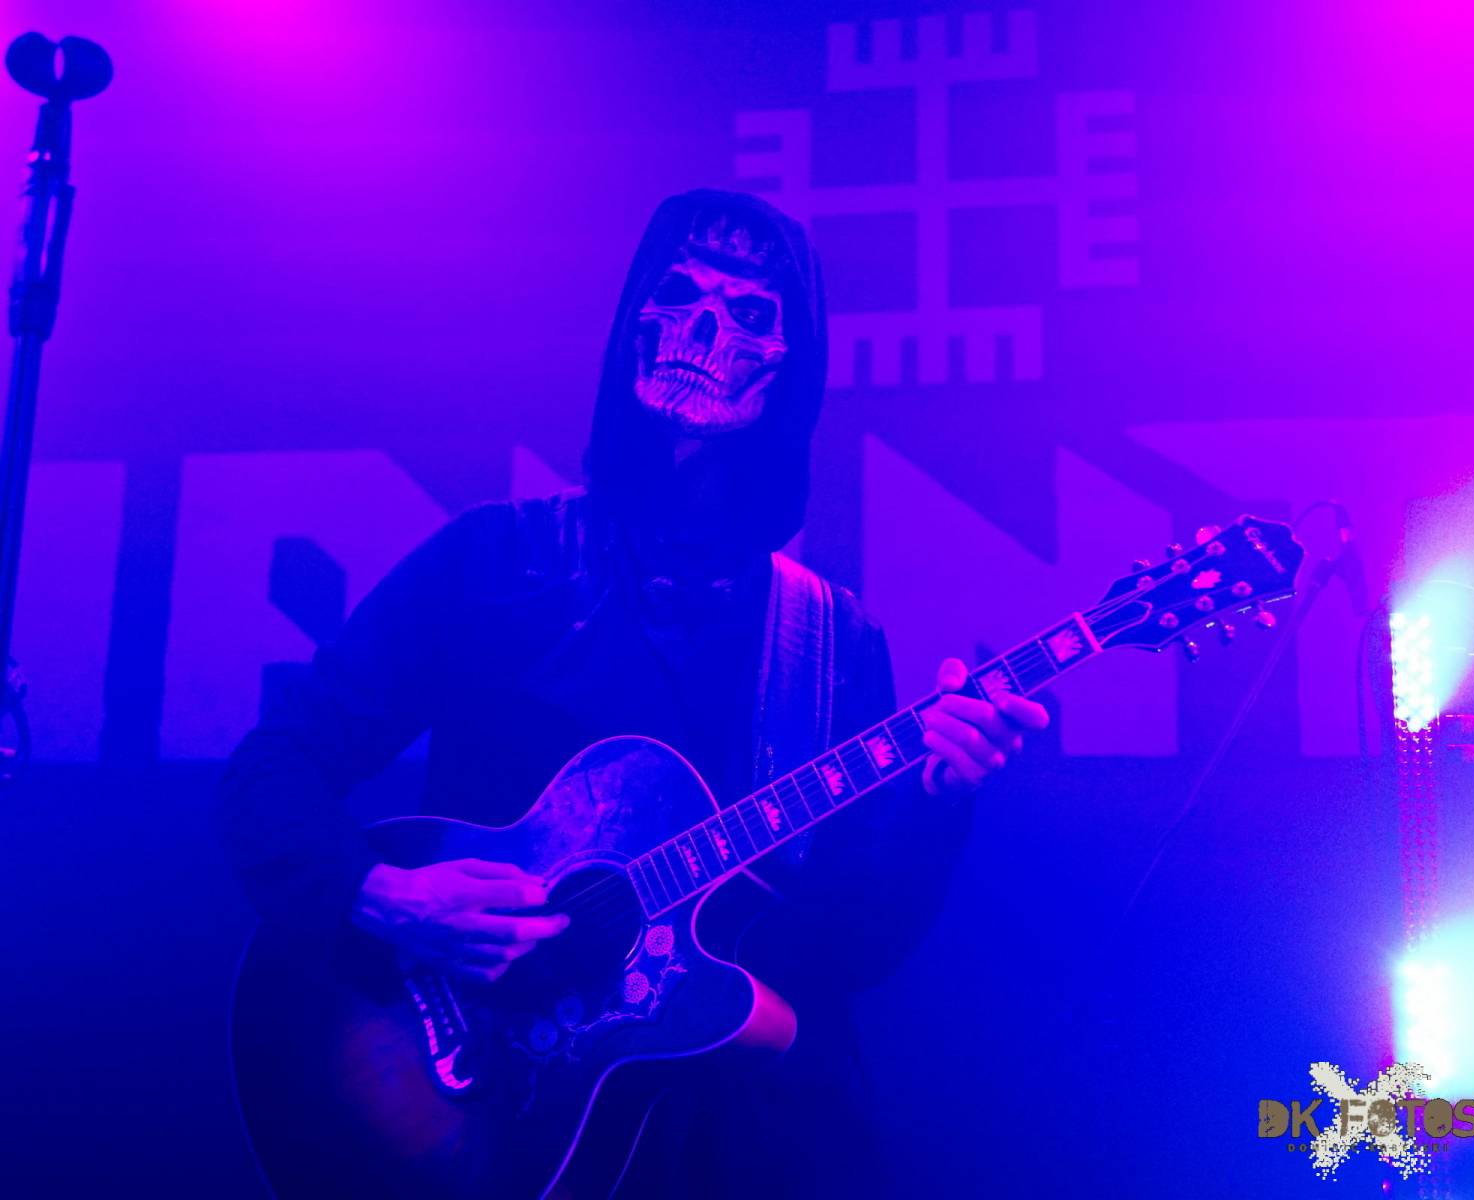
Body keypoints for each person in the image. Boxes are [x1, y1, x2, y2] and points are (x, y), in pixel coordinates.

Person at [219, 188, 1048, 1198]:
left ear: (793, 369)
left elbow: (849, 948)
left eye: (749, 314)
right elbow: (274, 768)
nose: (703, 333)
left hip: (742, 1149)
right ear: (632, 322)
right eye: (680, 296)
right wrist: (383, 896)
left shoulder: (831, 639)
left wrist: (936, 803)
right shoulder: (491, 562)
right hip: (485, 1111)